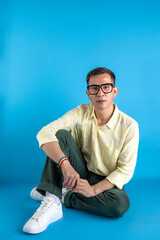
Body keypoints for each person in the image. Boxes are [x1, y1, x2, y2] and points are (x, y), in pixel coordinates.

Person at [23, 67, 139, 234]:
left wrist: (93, 190)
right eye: (94, 88)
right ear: (88, 93)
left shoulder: (130, 126)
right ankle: (52, 202)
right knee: (60, 135)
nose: (100, 93)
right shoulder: (80, 113)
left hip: (105, 182)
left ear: (115, 91)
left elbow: (125, 171)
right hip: (79, 171)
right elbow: (44, 132)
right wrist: (65, 164)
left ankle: (57, 194)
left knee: (120, 204)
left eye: (106, 87)